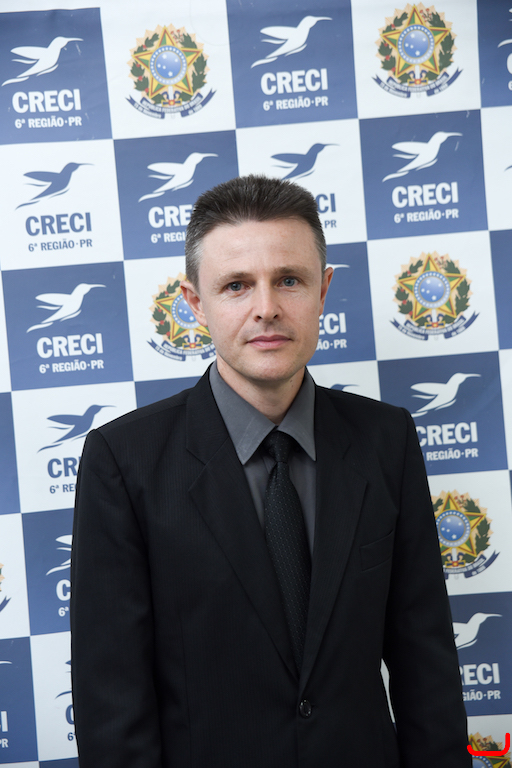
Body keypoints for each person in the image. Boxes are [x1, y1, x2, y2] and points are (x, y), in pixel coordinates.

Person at [71, 175, 470, 768]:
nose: (266, 308)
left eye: (289, 280)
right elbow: (112, 704)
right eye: (237, 285)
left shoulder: (387, 440)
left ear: (322, 290)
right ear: (195, 303)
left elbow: (426, 664)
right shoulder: (122, 461)